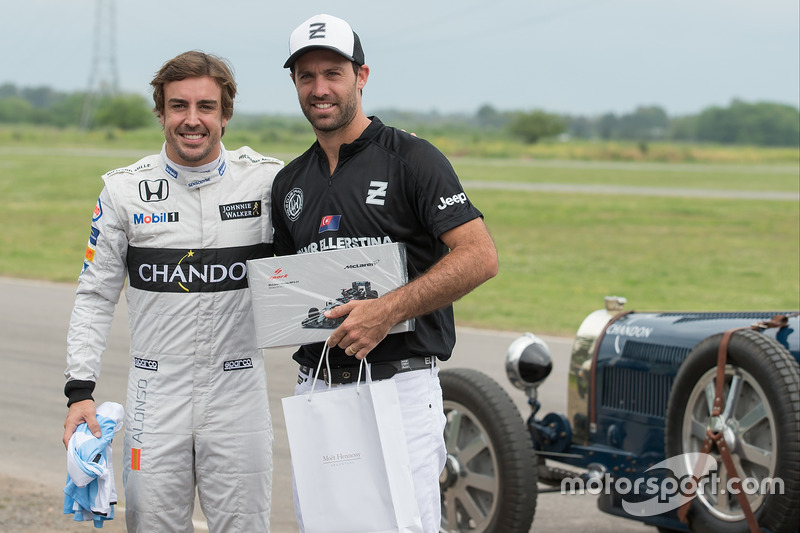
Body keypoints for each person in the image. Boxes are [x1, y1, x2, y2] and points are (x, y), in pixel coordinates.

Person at [272, 14, 499, 532]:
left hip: (398, 388)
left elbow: (479, 255)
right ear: (294, 84)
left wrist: (386, 311)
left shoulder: (412, 159)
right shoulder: (289, 181)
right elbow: (286, 289)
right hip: (319, 387)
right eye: (306, 76)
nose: (320, 88)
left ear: (362, 76)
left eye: (333, 72)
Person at [62, 50, 283, 532]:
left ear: (225, 114)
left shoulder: (268, 181)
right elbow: (95, 295)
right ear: (161, 113)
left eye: (205, 106)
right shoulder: (122, 191)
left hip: (239, 388)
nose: (192, 120)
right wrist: (79, 391)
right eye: (178, 106)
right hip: (154, 391)